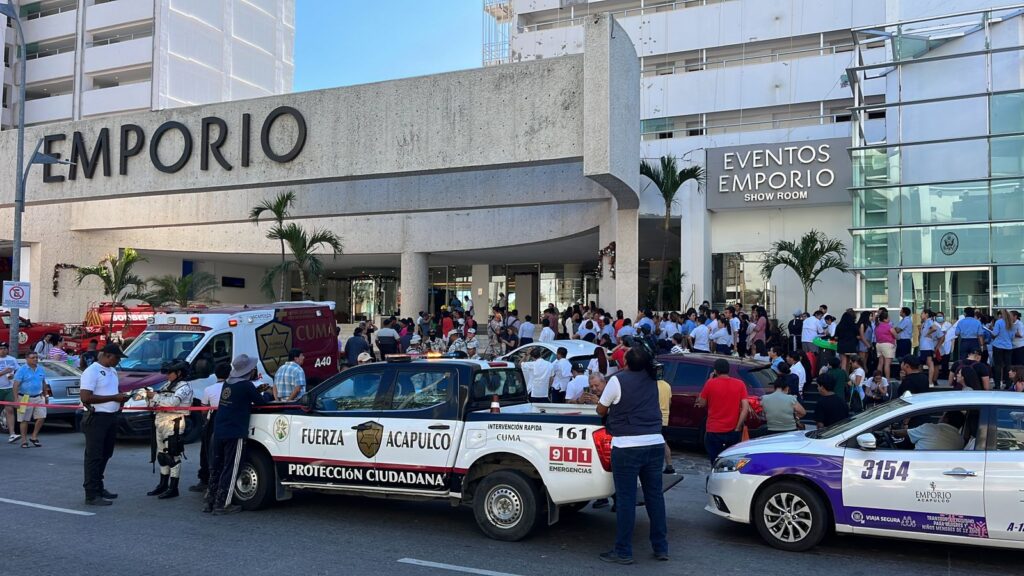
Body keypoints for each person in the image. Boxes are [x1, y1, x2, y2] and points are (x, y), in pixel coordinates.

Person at [596, 346, 669, 564]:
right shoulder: (651, 377)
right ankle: (661, 547)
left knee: (626, 499)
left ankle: (623, 551)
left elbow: (601, 409)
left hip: (627, 444)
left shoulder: (618, 380)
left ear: (626, 362)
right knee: (655, 497)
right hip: (655, 442)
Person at [206, 354, 270, 515]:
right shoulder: (246, 385)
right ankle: (222, 504)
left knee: (217, 467)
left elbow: (238, 399)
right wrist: (265, 394)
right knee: (231, 468)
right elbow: (261, 402)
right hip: (235, 431)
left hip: (219, 429)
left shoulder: (228, 383)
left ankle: (210, 501)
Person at [80, 344, 131, 506]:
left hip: (111, 417)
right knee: (94, 456)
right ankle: (91, 493)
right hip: (96, 418)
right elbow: (86, 397)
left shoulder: (112, 370)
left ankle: (99, 487)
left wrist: (121, 397)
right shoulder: (91, 371)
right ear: (107, 355)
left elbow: (111, 391)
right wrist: (113, 398)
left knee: (106, 454)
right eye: (117, 358)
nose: (118, 361)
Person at [145, 360, 194, 499]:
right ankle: (162, 485)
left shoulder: (185, 387)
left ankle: (173, 488)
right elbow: (155, 401)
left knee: (172, 455)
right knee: (161, 455)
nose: (167, 375)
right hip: (160, 420)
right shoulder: (168, 384)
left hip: (174, 421)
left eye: (169, 373)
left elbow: (172, 403)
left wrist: (154, 396)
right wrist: (149, 397)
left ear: (179, 373)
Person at [696, 359, 750, 463]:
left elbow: (701, 403)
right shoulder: (740, 384)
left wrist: (709, 380)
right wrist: (738, 426)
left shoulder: (710, 383)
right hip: (733, 429)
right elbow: (745, 408)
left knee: (715, 460)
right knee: (732, 460)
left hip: (714, 429)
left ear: (715, 371)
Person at [190, 362, 230, 494]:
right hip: (229, 423)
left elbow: (203, 410)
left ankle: (206, 480)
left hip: (213, 423)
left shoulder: (208, 389)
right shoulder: (231, 389)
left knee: (208, 451)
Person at [12, 351, 50, 448]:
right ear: (27, 359)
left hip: (38, 396)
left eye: (36, 357)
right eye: (33, 357)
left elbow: (44, 383)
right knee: (24, 420)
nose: (35, 359)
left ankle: (34, 437)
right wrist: (16, 399)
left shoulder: (40, 369)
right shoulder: (22, 370)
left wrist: (46, 395)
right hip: (24, 397)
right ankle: (24, 441)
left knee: (41, 417)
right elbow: (15, 385)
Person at [893, 411, 966, 451]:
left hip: (917, 465)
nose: (940, 417)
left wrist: (891, 431)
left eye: (942, 416)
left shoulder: (931, 428)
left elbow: (905, 433)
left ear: (946, 419)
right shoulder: (960, 440)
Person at [0, 342, 19, 444]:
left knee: (9, 410)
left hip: (8, 388)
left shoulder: (12, 359)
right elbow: (4, 372)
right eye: (1, 348)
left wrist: (13, 375)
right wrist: (4, 372)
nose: (3, 350)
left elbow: (17, 371)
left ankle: (12, 434)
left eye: (5, 348)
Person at [991, 309, 1015, 390]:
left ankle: (997, 385)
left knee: (997, 366)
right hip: (1008, 347)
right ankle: (1008, 384)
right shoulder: (1011, 323)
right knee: (1008, 366)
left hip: (998, 346)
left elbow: (994, 333)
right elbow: (1012, 337)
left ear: (1000, 315)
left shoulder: (999, 322)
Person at [657, 375, 675, 475]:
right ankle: (669, 465)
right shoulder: (667, 386)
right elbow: (670, 402)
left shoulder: (652, 385)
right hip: (664, 418)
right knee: (663, 442)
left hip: (654, 418)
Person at [918, 309, 939, 386]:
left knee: (930, 363)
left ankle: (930, 382)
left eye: (922, 313)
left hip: (927, 346)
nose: (921, 315)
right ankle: (923, 380)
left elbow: (934, 328)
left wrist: (927, 333)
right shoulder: (925, 322)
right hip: (924, 346)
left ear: (926, 314)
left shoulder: (929, 321)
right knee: (921, 363)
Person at [875, 309, 895, 381]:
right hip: (887, 345)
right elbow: (895, 334)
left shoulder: (877, 326)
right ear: (885, 319)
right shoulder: (888, 326)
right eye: (888, 317)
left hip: (879, 345)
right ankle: (887, 380)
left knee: (880, 363)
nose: (889, 318)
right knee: (887, 364)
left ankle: (878, 378)